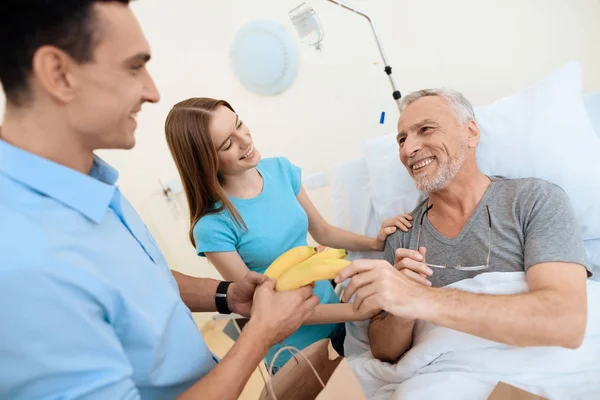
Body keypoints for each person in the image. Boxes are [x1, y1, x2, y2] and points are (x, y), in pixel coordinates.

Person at [0, 1, 320, 399]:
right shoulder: (20, 262)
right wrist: (259, 337)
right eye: (134, 66)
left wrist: (224, 295)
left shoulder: (90, 185)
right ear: (58, 74)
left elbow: (142, 284)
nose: (151, 92)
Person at [334, 88, 591, 364]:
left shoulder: (534, 201)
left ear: (471, 133)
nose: (409, 149)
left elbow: (565, 322)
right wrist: (401, 311)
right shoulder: (402, 236)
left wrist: (421, 297)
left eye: (426, 129)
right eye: (402, 139)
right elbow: (384, 351)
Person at [164, 97, 413, 370]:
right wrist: (357, 310)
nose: (245, 140)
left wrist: (375, 243)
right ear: (204, 161)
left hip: (340, 320)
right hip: (296, 352)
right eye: (227, 143)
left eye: (239, 125)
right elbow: (266, 308)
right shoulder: (212, 227)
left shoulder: (280, 170)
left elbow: (323, 232)